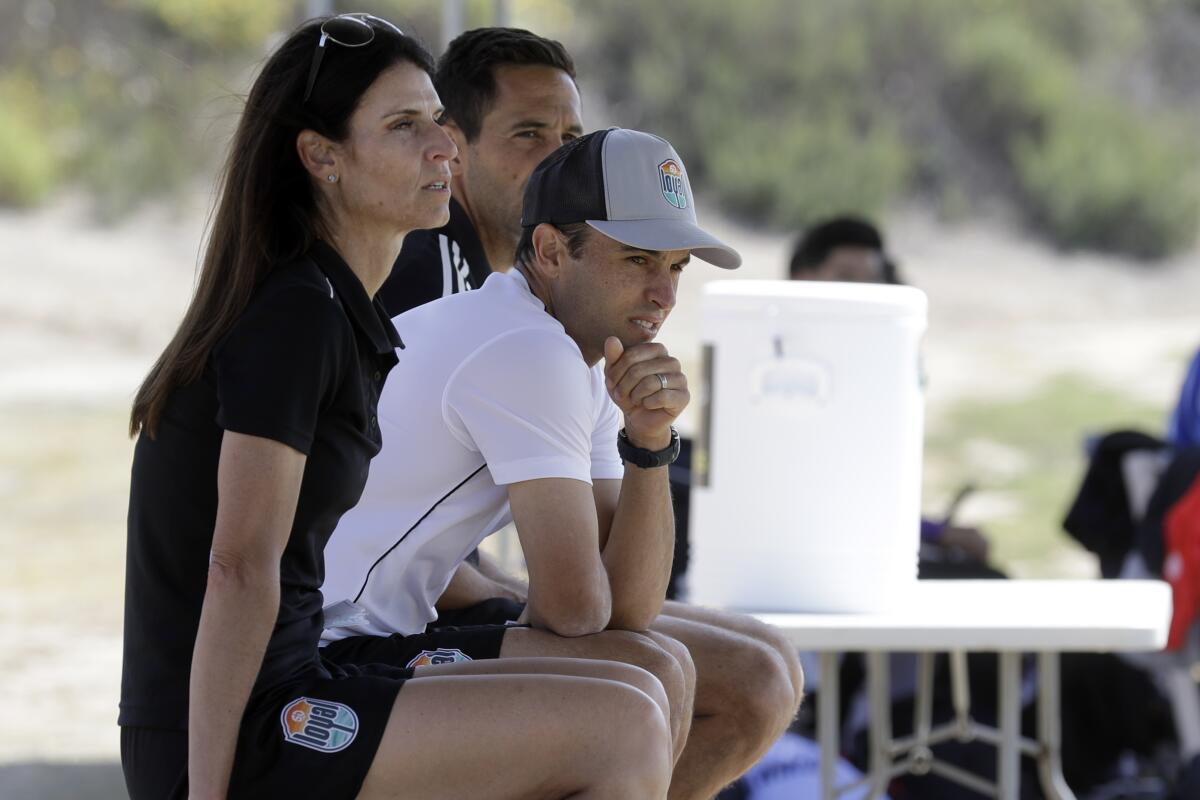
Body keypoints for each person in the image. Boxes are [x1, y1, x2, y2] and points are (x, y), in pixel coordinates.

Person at [119, 16, 672, 800]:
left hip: (303, 672)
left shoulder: (343, 308)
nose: (444, 147)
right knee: (621, 728)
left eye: (440, 121)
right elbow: (238, 568)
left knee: (636, 692)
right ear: (322, 157)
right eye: (406, 127)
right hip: (228, 717)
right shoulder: (297, 312)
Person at [349, 26, 803, 796]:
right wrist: (533, 596)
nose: (663, 295)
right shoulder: (519, 336)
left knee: (696, 669)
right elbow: (575, 610)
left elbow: (625, 603)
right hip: (328, 648)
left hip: (386, 621)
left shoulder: (576, 346)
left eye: (675, 268)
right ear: (554, 252)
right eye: (635, 261)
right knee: (646, 683)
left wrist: (650, 444)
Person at [790, 214, 991, 565]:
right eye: (845, 278)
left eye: (873, 281)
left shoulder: (867, 370)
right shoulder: (785, 372)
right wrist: (936, 533)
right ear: (802, 278)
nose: (863, 295)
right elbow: (831, 504)